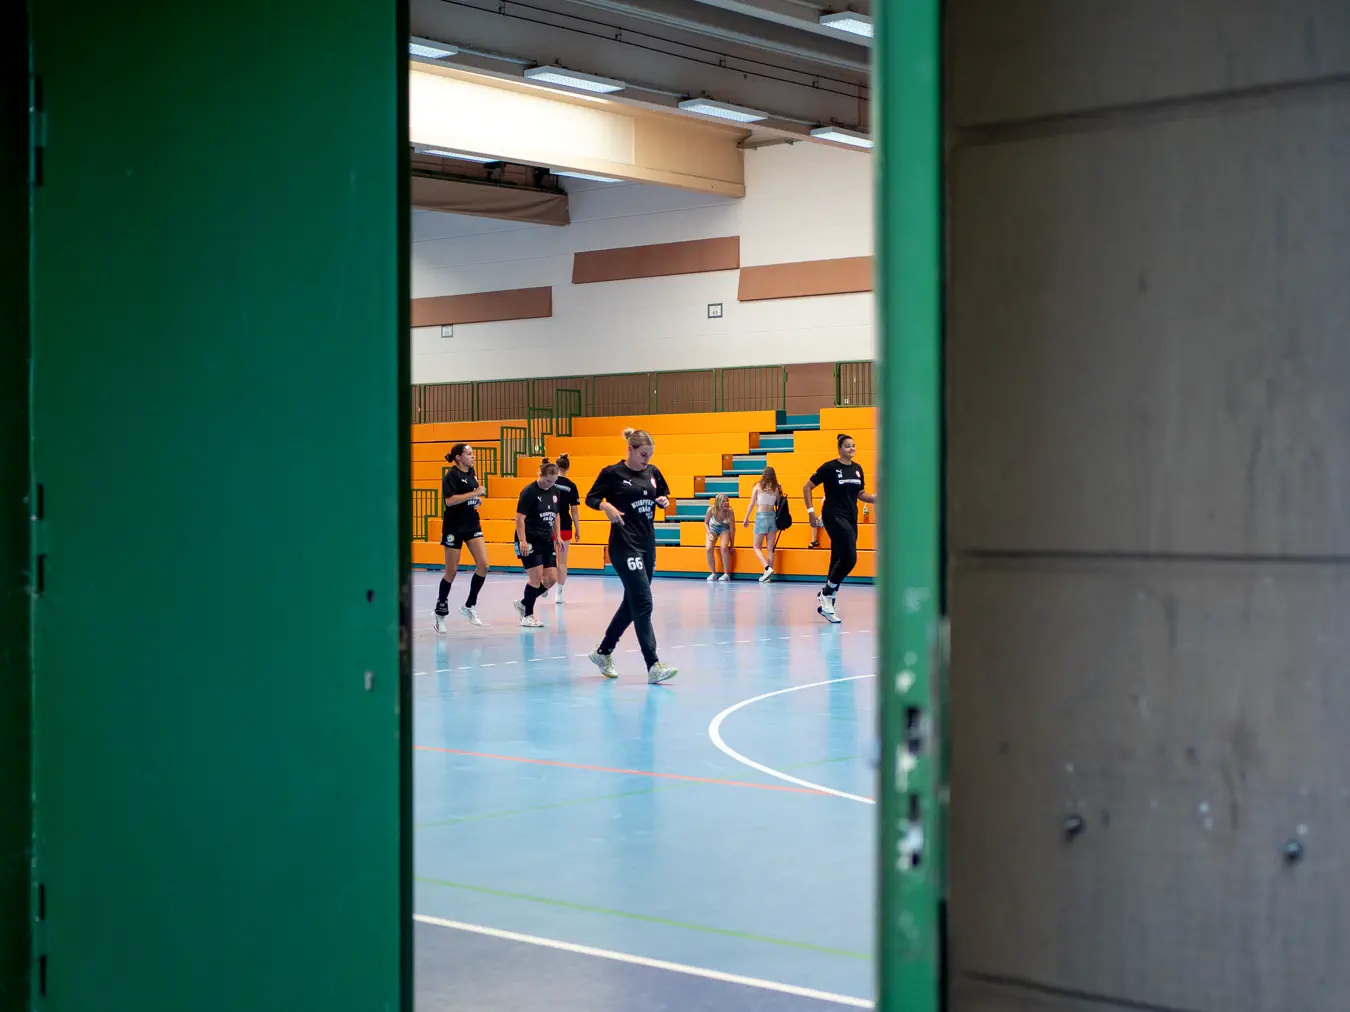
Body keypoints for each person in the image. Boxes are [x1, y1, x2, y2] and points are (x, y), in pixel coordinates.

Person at [584, 428, 677, 684]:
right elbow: (590, 498)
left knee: (632, 603)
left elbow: (662, 494)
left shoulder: (653, 472)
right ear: (631, 450)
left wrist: (663, 501)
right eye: (643, 454)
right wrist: (606, 506)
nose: (646, 459)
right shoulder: (612, 473)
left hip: (648, 544)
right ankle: (653, 664)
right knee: (644, 601)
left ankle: (603, 652)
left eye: (650, 455)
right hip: (624, 545)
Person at [803, 434, 876, 624]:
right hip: (833, 516)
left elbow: (860, 493)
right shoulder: (829, 467)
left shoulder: (858, 469)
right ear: (840, 449)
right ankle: (826, 594)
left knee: (837, 559)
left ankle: (828, 605)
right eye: (847, 446)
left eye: (854, 445)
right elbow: (807, 487)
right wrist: (811, 512)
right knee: (850, 558)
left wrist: (874, 498)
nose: (852, 449)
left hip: (851, 517)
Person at [435, 442, 489, 630]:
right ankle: (440, 611)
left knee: (483, 565)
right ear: (458, 457)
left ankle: (469, 605)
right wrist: (474, 493)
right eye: (469, 454)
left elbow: (469, 495)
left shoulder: (472, 473)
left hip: (472, 524)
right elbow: (450, 501)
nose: (472, 457)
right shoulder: (450, 476)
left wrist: (476, 500)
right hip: (454, 527)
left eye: (472, 453)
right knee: (451, 571)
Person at [513, 459, 562, 628]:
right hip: (530, 538)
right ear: (540, 475)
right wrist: (522, 540)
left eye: (554, 481)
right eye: (548, 481)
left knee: (551, 579)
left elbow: (556, 515)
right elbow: (520, 518)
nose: (550, 484)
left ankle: (524, 602)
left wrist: (559, 536)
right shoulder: (529, 492)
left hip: (547, 539)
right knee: (535, 577)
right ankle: (527, 616)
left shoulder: (555, 491)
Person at [549, 453, 581, 604]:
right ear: (568, 468)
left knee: (547, 560)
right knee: (562, 562)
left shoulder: (549, 482)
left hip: (547, 526)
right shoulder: (571, 486)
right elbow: (574, 511)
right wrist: (578, 529)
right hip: (565, 527)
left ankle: (544, 586)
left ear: (556, 466)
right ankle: (559, 594)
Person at [743, 465, 781, 582]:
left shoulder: (758, 486)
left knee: (756, 546)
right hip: (772, 517)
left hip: (761, 517)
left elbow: (751, 504)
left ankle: (767, 568)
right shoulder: (776, 489)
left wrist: (746, 518)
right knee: (770, 549)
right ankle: (767, 576)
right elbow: (779, 504)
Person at [704, 493, 735, 581]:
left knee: (724, 548)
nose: (726, 503)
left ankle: (726, 574)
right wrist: (709, 533)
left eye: (727, 501)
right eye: (723, 501)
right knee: (709, 548)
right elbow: (705, 522)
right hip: (712, 528)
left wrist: (732, 545)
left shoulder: (730, 512)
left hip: (724, 528)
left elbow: (732, 529)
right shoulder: (711, 509)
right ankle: (713, 573)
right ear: (718, 503)